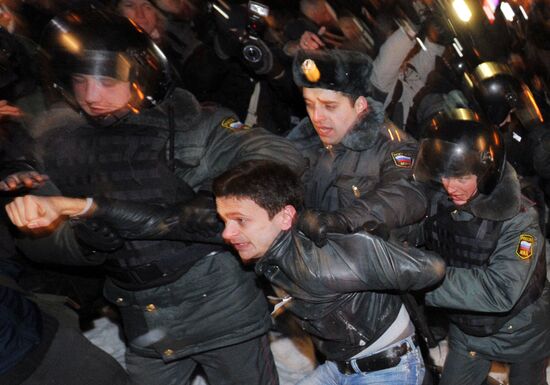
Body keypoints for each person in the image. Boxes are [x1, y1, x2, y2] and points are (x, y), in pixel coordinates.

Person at [2, 9, 306, 385]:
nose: (91, 96)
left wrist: (217, 201)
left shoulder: (190, 122)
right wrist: (80, 241)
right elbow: (34, 240)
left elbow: (280, 155)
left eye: (106, 81)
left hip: (221, 311)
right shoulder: (60, 142)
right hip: (143, 321)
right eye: (80, 81)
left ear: (140, 76)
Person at [6, 159, 446, 385]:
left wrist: (356, 232)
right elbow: (162, 220)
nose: (228, 233)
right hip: (341, 365)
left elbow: (430, 269)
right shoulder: (259, 237)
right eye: (224, 219)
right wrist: (72, 206)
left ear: (285, 216)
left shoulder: (335, 256)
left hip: (387, 371)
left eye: (239, 220)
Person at [409, 108, 550, 385]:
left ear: (486, 172)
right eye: (446, 177)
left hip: (522, 330)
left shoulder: (522, 219)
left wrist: (421, 277)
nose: (451, 187)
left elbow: (500, 290)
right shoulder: (442, 196)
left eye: (462, 178)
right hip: (468, 329)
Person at [286, 49, 427, 247]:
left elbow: (407, 194)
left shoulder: (393, 145)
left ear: (360, 105)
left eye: (330, 106)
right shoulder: (304, 139)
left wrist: (342, 221)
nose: (316, 117)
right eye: (309, 105)